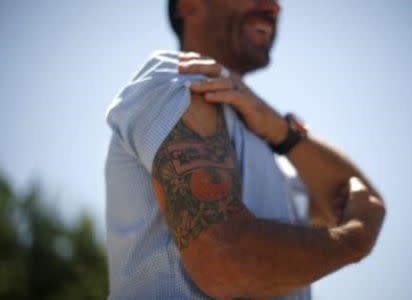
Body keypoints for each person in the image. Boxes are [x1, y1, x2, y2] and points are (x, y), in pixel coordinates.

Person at [105, 0, 386, 299]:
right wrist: (351, 242)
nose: (274, 8)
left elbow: (359, 201)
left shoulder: (278, 156)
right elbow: (226, 262)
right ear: (188, 6)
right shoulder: (175, 78)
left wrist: (283, 132)